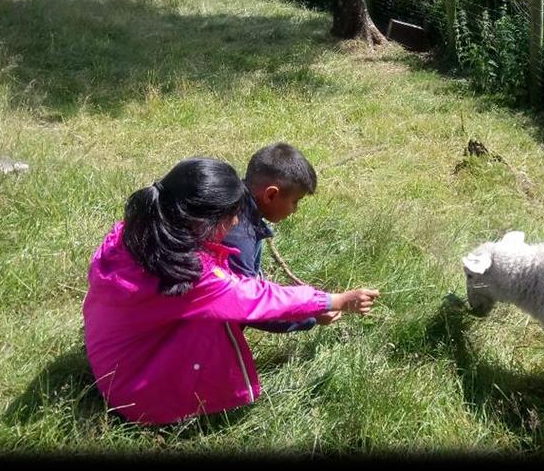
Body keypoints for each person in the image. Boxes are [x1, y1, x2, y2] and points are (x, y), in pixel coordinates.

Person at [83, 157, 379, 425]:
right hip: (135, 396)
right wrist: (332, 300)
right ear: (201, 220)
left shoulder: (137, 230)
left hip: (112, 363)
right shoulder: (191, 276)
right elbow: (255, 299)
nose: (236, 222)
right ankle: (172, 408)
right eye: (230, 217)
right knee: (219, 322)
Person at [222, 142, 336, 333]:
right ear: (271, 195)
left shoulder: (234, 203)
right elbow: (248, 307)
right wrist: (310, 314)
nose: (295, 210)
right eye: (295, 201)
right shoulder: (238, 236)